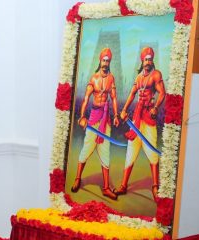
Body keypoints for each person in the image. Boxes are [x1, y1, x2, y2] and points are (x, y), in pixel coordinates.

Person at [113, 47, 165, 201]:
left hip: (149, 117)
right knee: (131, 151)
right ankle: (123, 185)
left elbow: (162, 93)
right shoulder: (138, 78)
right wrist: (123, 110)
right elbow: (131, 94)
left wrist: (156, 107)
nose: (148, 61)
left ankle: (155, 186)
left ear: (152, 60)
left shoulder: (156, 75)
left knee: (152, 152)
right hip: (136, 119)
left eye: (150, 59)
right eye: (146, 59)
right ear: (142, 60)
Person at [70, 48, 119, 200]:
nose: (105, 63)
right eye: (104, 60)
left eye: (108, 61)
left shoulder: (111, 78)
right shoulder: (94, 78)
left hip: (106, 120)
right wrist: (82, 116)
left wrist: (116, 115)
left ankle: (105, 187)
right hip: (94, 117)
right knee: (86, 148)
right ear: (100, 61)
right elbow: (85, 99)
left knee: (105, 152)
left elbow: (114, 98)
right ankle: (78, 178)